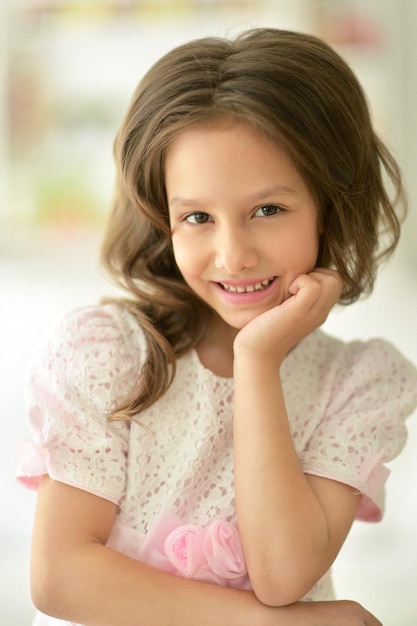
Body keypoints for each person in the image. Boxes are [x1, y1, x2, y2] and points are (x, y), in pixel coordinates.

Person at [16, 28, 417, 626]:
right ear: (163, 221)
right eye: (197, 216)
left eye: (268, 210)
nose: (233, 255)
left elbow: (283, 576)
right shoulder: (106, 353)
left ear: (330, 207)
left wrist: (258, 362)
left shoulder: (357, 383)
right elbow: (60, 577)